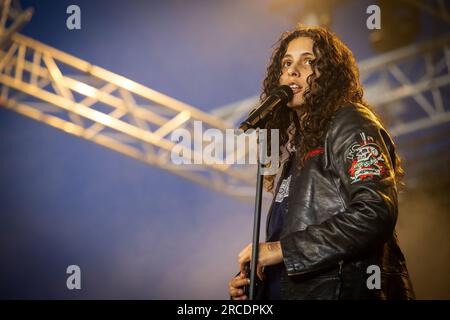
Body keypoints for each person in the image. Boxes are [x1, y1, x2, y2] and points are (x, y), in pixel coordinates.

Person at [228, 25, 415, 300]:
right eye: (287, 63)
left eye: (308, 61)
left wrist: (281, 250)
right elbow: (290, 245)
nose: (293, 70)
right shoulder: (296, 152)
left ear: (328, 74)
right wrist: (255, 286)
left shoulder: (351, 122)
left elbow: (375, 212)